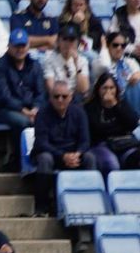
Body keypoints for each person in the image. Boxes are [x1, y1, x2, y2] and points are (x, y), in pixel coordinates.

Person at [33, 81, 97, 215]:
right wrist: (62, 156)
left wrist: (77, 154)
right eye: (56, 96)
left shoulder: (79, 112)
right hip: (53, 154)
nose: (60, 99)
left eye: (64, 96)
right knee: (45, 159)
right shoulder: (42, 114)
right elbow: (41, 143)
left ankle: (88, 202)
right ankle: (41, 206)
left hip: (74, 155)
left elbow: (85, 140)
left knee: (90, 158)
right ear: (50, 98)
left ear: (71, 97)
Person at [0, 29, 46, 164]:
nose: (20, 49)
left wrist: (36, 108)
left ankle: (41, 157)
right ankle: (20, 160)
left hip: (31, 109)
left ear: (28, 46)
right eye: (16, 46)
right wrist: (24, 111)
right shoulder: (0, 66)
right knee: (23, 122)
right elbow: (4, 96)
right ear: (9, 46)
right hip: (5, 109)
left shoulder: (35, 65)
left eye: (23, 46)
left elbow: (40, 93)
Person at [86, 71, 140, 175]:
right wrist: (118, 127)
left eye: (111, 88)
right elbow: (97, 130)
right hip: (101, 145)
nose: (108, 91)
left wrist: (115, 105)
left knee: (138, 157)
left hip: (123, 143)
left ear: (116, 89)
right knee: (112, 164)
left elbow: (133, 124)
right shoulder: (90, 107)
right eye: (105, 88)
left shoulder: (121, 104)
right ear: (98, 89)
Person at [94, 32, 140, 121]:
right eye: (115, 45)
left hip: (130, 98)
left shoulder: (129, 61)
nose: (119, 48)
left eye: (122, 46)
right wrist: (103, 46)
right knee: (135, 85)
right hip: (111, 98)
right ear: (108, 46)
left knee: (138, 83)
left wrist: (139, 74)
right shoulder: (98, 63)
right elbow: (105, 65)